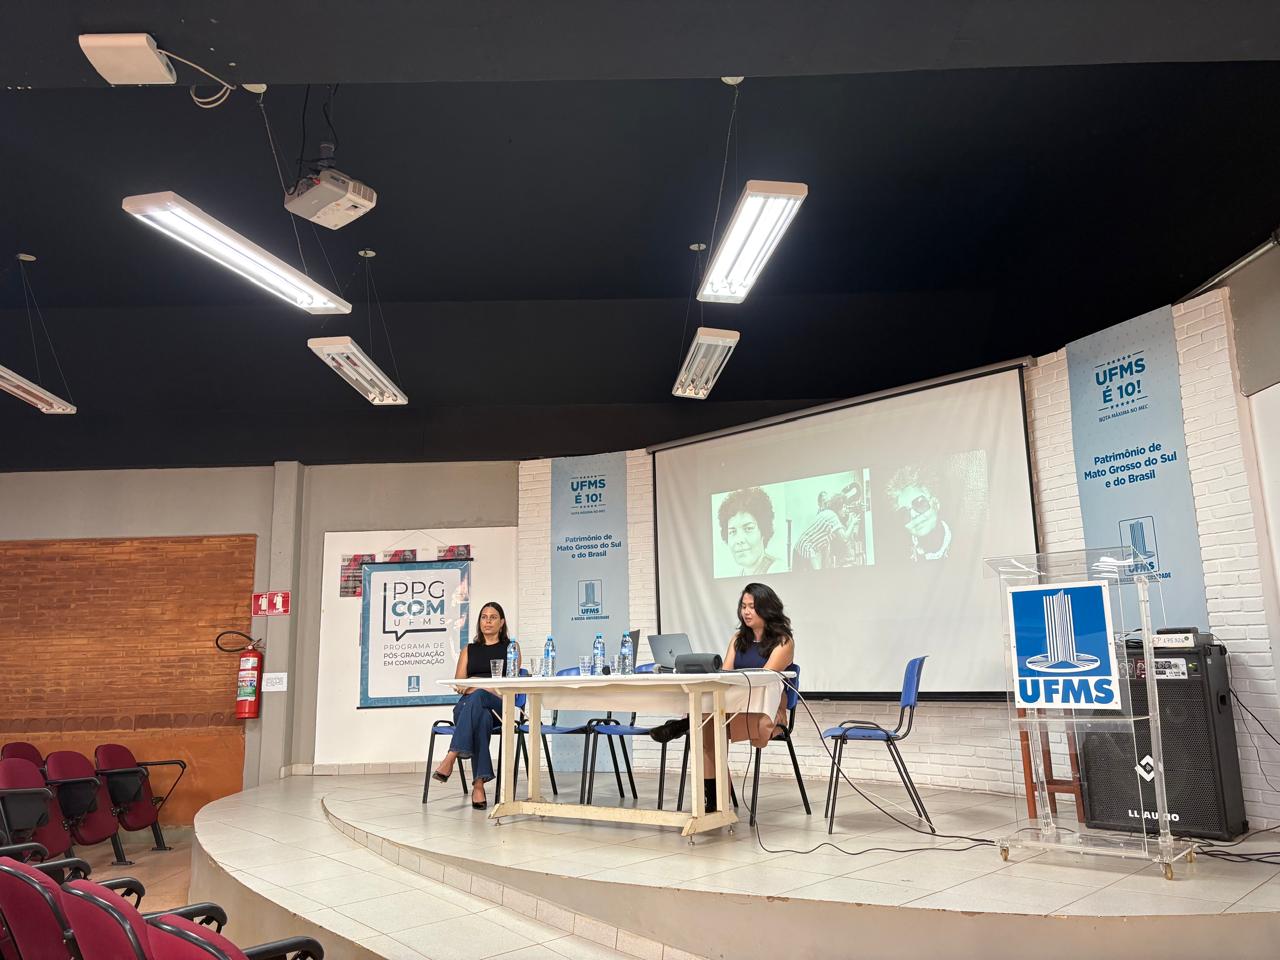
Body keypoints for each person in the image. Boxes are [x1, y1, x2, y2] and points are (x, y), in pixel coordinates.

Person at [649, 583, 794, 813]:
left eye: (752, 607)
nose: (746, 612)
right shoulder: (738, 638)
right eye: (743, 606)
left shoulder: (783, 641)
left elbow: (764, 678)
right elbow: (724, 674)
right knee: (708, 727)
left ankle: (687, 723)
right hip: (732, 708)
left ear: (767, 609)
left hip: (765, 710)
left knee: (706, 721)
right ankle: (714, 800)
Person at [430, 601, 520, 809]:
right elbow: (460, 684)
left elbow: (512, 685)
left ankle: (452, 755)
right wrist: (481, 686)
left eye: (493, 617)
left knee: (479, 696)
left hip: (499, 705)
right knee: (481, 718)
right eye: (484, 617)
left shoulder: (511, 648)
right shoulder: (468, 650)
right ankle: (478, 784)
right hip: (468, 708)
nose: (487, 621)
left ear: (502, 622)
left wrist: (478, 685)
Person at [886, 465, 951, 561]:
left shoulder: (964, 541)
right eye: (904, 513)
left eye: (920, 503)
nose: (913, 515)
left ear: (936, 503)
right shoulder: (898, 557)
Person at [717, 487, 781, 576]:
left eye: (748, 529)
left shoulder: (778, 568)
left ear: (763, 531)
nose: (739, 540)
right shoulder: (740, 574)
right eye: (733, 532)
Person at [792, 490, 861, 569]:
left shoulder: (828, 513)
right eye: (844, 507)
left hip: (801, 548)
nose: (846, 510)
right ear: (838, 506)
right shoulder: (832, 517)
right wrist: (853, 522)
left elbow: (825, 546)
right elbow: (844, 538)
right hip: (805, 548)